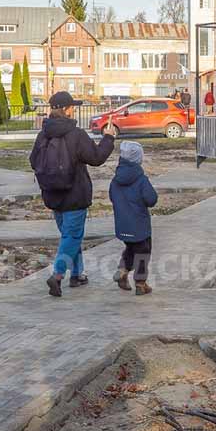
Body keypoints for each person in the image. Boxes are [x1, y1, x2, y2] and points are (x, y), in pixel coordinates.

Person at [30, 91, 116, 297]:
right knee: (72, 236)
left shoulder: (43, 134)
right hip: (75, 194)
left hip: (52, 195)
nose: (73, 110)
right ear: (67, 109)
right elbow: (96, 158)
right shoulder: (76, 135)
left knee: (70, 236)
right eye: (72, 107)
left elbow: (33, 161)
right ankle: (58, 275)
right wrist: (109, 138)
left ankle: (77, 274)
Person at [109, 141, 158, 296]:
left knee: (130, 248)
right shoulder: (141, 179)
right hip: (140, 226)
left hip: (123, 224)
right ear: (138, 159)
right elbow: (151, 200)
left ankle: (123, 270)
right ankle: (140, 283)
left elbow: (112, 197)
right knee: (143, 253)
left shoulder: (115, 180)